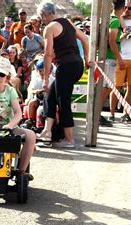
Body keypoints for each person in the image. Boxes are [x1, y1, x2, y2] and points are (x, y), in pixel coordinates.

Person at [36, 1, 89, 147]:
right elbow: (84, 39)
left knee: (63, 101)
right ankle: (47, 131)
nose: (42, 19)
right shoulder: (67, 22)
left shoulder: (49, 28)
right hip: (78, 65)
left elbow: (47, 55)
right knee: (50, 96)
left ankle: (69, 139)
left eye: (42, 16)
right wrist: (87, 58)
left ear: (44, 15)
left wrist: (46, 79)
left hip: (65, 66)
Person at [112, 0, 131, 124]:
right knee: (115, 86)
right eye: (126, 7)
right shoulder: (117, 19)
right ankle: (111, 114)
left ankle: (126, 113)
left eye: (130, 8)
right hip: (121, 57)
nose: (127, 10)